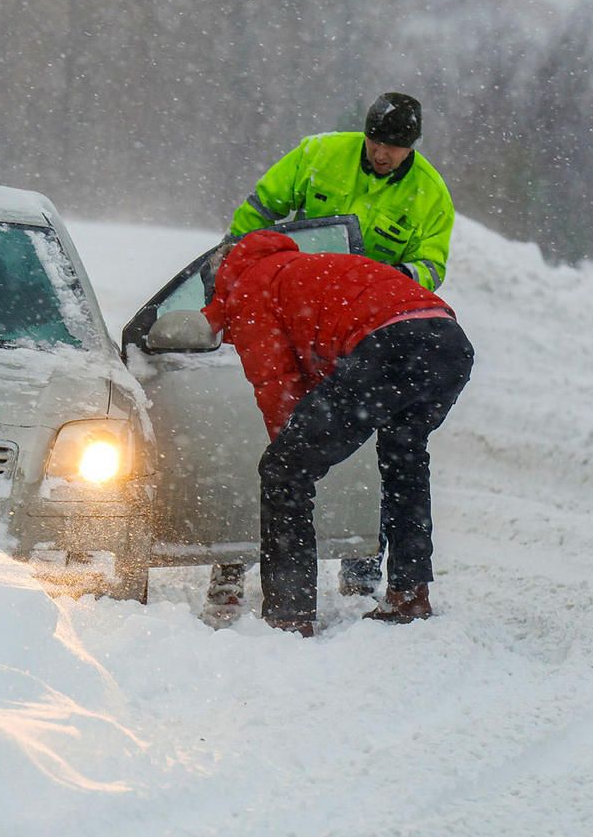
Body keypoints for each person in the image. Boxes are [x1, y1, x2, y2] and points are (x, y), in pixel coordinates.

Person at [223, 92, 457, 599]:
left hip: (369, 337)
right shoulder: (318, 157)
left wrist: (393, 275)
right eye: (375, 141)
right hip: (327, 323)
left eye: (394, 148)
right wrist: (239, 260)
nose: (381, 153)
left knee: (305, 461)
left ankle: (349, 573)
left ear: (411, 147)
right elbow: (257, 213)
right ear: (365, 133)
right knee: (394, 454)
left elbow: (432, 267)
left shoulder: (429, 195)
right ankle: (407, 590)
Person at [199, 229, 474, 637]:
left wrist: (293, 452)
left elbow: (275, 384)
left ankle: (289, 614)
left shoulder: (249, 288)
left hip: (390, 346)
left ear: (219, 277)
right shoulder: (298, 267)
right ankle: (409, 593)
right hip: (448, 343)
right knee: (405, 457)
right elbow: (330, 351)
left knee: (282, 471)